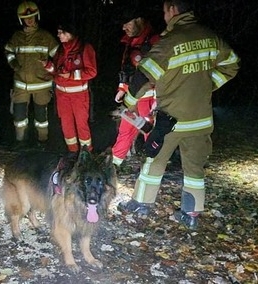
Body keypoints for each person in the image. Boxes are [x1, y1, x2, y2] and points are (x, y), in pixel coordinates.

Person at [118, 0, 240, 230]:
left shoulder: (169, 43)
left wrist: (130, 103)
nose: (164, 16)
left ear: (173, 9)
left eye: (164, 11)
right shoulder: (210, 37)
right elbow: (232, 64)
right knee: (194, 169)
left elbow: (143, 77)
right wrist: (208, 86)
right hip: (201, 120)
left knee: (153, 161)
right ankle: (191, 214)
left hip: (170, 121)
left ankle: (142, 203)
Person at [108, 7, 160, 167]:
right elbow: (126, 68)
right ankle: (114, 166)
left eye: (126, 24)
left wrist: (159, 97)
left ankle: (155, 166)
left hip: (149, 100)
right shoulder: (129, 42)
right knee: (125, 130)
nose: (123, 28)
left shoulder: (156, 41)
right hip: (132, 99)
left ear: (139, 20)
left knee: (150, 131)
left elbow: (162, 72)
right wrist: (122, 88)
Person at [4, 1, 59, 148]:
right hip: (21, 84)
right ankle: (21, 142)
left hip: (42, 84)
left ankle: (42, 142)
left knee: (41, 118)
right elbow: (8, 51)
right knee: (19, 117)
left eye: (33, 17)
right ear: (21, 19)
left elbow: (59, 57)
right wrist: (13, 63)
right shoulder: (16, 37)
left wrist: (52, 69)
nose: (30, 20)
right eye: (26, 18)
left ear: (37, 16)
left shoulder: (46, 37)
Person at [42, 21, 97, 156]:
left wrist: (71, 75)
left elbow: (92, 71)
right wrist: (48, 66)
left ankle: (86, 154)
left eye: (61, 32)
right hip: (61, 95)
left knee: (81, 125)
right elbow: (57, 70)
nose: (58, 35)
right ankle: (72, 153)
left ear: (70, 33)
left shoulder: (85, 48)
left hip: (79, 95)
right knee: (66, 125)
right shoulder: (61, 49)